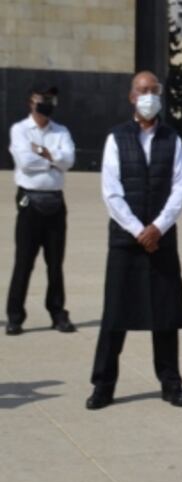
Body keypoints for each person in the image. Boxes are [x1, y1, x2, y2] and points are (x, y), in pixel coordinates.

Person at [86, 71, 182, 410]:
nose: (148, 96)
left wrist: (157, 227)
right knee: (115, 315)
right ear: (131, 97)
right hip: (126, 241)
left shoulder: (171, 139)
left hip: (161, 240)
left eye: (153, 90)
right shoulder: (116, 138)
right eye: (142, 90)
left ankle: (171, 383)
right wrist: (138, 230)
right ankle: (103, 385)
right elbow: (111, 192)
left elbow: (179, 189)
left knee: (166, 315)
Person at [6, 84, 76, 335]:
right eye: (42, 99)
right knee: (24, 263)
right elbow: (25, 162)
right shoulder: (20, 130)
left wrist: (46, 155)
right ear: (30, 102)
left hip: (55, 203)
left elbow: (69, 161)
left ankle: (58, 313)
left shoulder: (61, 131)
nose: (46, 103)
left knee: (55, 264)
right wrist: (53, 161)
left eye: (51, 99)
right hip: (29, 204)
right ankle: (15, 316)